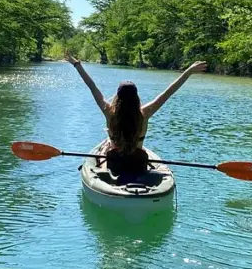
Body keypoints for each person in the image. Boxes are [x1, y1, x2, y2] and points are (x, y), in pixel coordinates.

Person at [64, 53, 207, 178]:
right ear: (136, 97)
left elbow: (92, 86)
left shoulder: (109, 113)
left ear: (117, 97)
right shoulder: (144, 114)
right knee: (136, 152)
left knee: (108, 150)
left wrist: (76, 64)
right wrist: (188, 72)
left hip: (114, 165)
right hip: (138, 165)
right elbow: (168, 92)